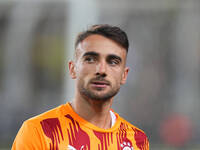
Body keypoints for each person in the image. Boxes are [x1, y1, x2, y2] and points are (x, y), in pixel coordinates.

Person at [12, 24, 149, 150]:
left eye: (113, 62)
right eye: (90, 59)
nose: (101, 70)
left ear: (124, 75)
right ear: (72, 69)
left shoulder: (137, 141)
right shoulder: (39, 131)